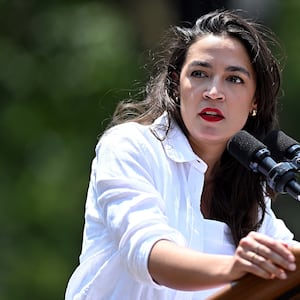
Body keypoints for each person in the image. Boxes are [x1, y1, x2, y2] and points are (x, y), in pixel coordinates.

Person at [65, 9, 300, 300]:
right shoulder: (131, 146)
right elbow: (149, 254)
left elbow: (291, 264)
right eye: (200, 74)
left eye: (234, 79)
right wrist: (235, 267)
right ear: (176, 86)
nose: (214, 92)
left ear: (255, 100)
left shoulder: (253, 188)